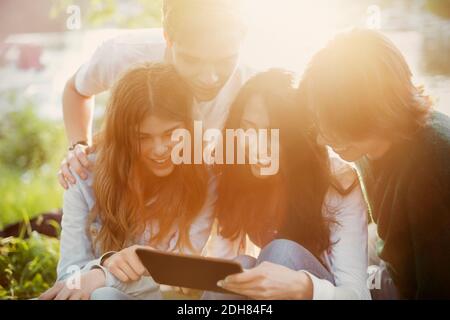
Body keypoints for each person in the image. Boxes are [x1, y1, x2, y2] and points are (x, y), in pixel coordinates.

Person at [40, 64, 238, 300]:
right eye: (142, 137)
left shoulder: (203, 177)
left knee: (105, 294)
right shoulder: (84, 174)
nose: (159, 149)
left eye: (170, 133)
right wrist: (107, 270)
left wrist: (104, 273)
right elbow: (69, 278)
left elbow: (181, 277)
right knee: (104, 296)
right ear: (122, 136)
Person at [300, 28, 450, 299]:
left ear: (370, 112)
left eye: (333, 127)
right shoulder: (369, 146)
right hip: (395, 269)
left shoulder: (433, 162)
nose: (321, 139)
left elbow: (436, 286)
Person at [204, 70, 371, 300]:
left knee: (282, 252)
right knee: (237, 268)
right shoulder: (236, 174)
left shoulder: (336, 180)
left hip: (321, 294)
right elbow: (223, 257)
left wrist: (305, 287)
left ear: (294, 139)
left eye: (272, 134)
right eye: (248, 128)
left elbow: (357, 295)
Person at [58, 0, 253, 189]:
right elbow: (75, 90)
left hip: (197, 187)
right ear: (167, 38)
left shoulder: (253, 80)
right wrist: (79, 147)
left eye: (225, 60)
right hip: (128, 185)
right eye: (192, 60)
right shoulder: (124, 55)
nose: (209, 78)